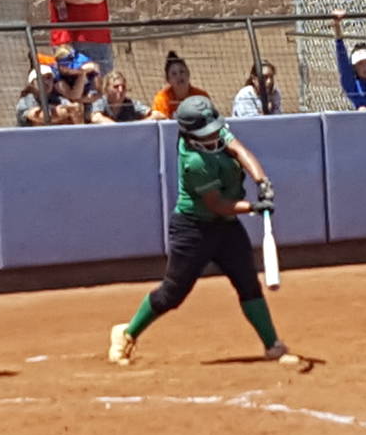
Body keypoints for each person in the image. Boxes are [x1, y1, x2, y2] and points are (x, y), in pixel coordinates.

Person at [108, 95, 288, 365]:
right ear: (190, 134)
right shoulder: (194, 162)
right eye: (207, 132)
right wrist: (253, 206)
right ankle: (127, 333)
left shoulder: (216, 132)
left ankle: (273, 345)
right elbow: (217, 204)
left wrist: (262, 182)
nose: (214, 135)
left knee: (247, 281)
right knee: (173, 293)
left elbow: (239, 149)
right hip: (193, 229)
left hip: (225, 228)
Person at [16, 64, 82, 126]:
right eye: (40, 78)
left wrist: (76, 112)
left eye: (49, 78)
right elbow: (42, 117)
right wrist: (67, 111)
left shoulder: (60, 100)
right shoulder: (25, 101)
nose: (46, 82)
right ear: (32, 84)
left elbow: (78, 124)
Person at [151, 51, 210, 119]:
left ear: (188, 74)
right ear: (168, 80)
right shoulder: (162, 98)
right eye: (174, 74)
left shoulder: (201, 96)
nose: (179, 76)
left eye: (182, 72)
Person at [90, 71, 164, 123]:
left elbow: (158, 115)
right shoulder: (101, 102)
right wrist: (118, 128)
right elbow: (96, 118)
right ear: (106, 89)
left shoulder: (131, 104)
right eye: (116, 87)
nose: (121, 90)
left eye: (123, 87)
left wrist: (137, 126)